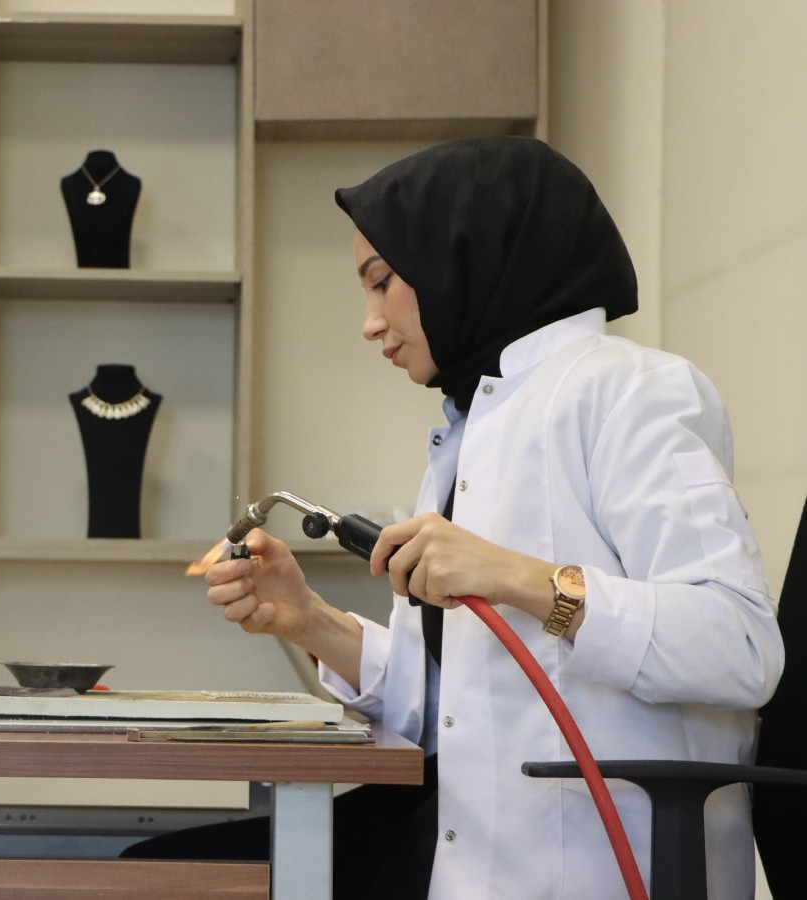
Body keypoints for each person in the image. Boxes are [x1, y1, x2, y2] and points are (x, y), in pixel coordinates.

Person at [121, 136, 783, 899]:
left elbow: (739, 647)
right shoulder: (469, 428)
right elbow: (446, 713)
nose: (370, 323)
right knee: (162, 872)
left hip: (591, 869)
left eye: (381, 283)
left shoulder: (628, 389)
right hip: (472, 852)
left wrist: (521, 578)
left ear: (464, 254)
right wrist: (307, 619)